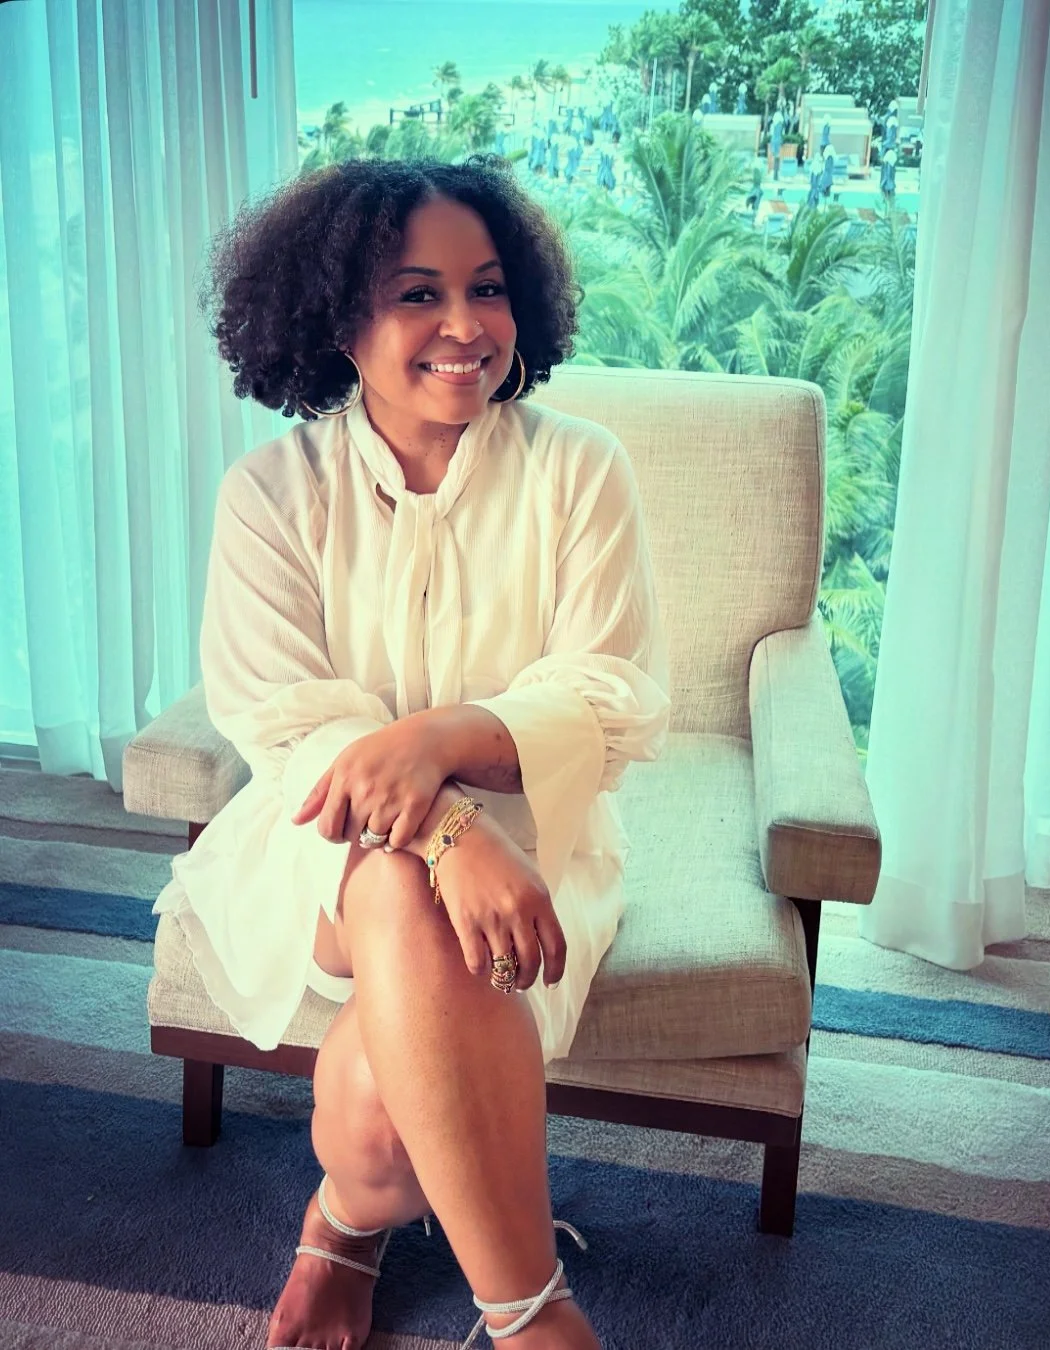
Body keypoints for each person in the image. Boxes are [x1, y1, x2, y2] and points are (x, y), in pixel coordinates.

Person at [157, 157, 669, 1350]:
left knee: (384, 1133)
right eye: (414, 293)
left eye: (486, 290)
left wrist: (439, 742)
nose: (462, 327)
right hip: (317, 848)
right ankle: (533, 1315)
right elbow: (286, 722)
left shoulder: (580, 469)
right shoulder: (269, 495)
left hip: (542, 851)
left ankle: (344, 1217)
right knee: (391, 873)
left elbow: (611, 696)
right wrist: (448, 825)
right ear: (337, 316)